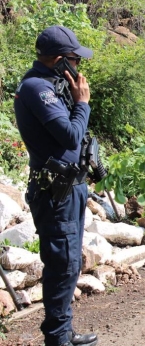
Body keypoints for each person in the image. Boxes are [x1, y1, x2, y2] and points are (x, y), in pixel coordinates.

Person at [13, 26, 98, 346]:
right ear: (61, 60)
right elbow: (70, 135)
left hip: (69, 187)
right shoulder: (37, 88)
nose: (79, 68)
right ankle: (57, 338)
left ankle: (62, 331)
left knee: (70, 261)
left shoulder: (54, 84)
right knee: (62, 261)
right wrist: (83, 103)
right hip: (54, 191)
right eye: (76, 60)